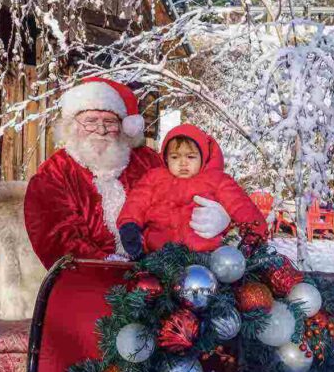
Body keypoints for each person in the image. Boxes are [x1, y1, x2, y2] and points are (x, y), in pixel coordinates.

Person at [24, 80, 232, 269]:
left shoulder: (146, 162)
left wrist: (219, 216)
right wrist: (110, 267)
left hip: (160, 274)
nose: (101, 129)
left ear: (123, 127)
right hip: (89, 283)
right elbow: (58, 239)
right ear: (72, 125)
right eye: (90, 121)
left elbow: (191, 186)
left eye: (110, 121)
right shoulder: (53, 174)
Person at [116, 123, 268, 258]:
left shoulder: (216, 180)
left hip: (205, 256)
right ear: (166, 158)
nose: (183, 163)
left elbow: (241, 206)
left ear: (203, 157)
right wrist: (129, 225)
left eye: (190, 157)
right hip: (159, 255)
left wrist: (255, 235)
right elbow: (136, 202)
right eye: (175, 157)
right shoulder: (155, 178)